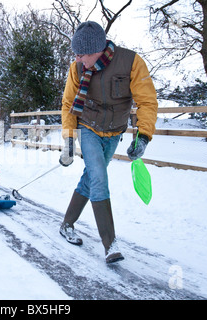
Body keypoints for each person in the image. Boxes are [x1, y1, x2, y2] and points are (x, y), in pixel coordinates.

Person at [58, 21, 158, 263]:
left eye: (82, 54)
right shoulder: (77, 69)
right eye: (76, 54)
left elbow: (147, 101)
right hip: (89, 128)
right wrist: (69, 140)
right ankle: (109, 244)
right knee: (99, 179)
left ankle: (66, 224)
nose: (79, 59)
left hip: (114, 132)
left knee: (91, 177)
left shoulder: (131, 63)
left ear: (97, 49)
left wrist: (143, 136)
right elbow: (69, 105)